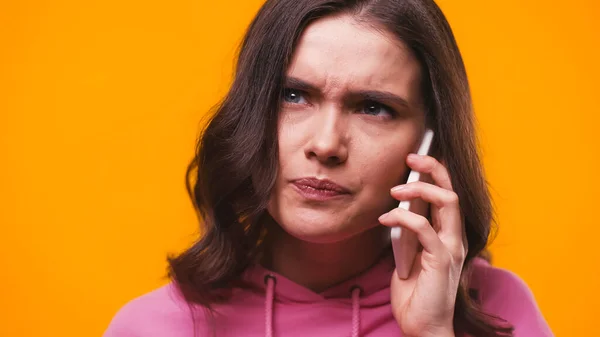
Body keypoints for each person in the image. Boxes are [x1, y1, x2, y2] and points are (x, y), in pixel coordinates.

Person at [104, 0, 553, 336]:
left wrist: (434, 332)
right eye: (294, 95)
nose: (325, 145)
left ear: (429, 140)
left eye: (373, 107)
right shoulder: (155, 325)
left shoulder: (500, 309)